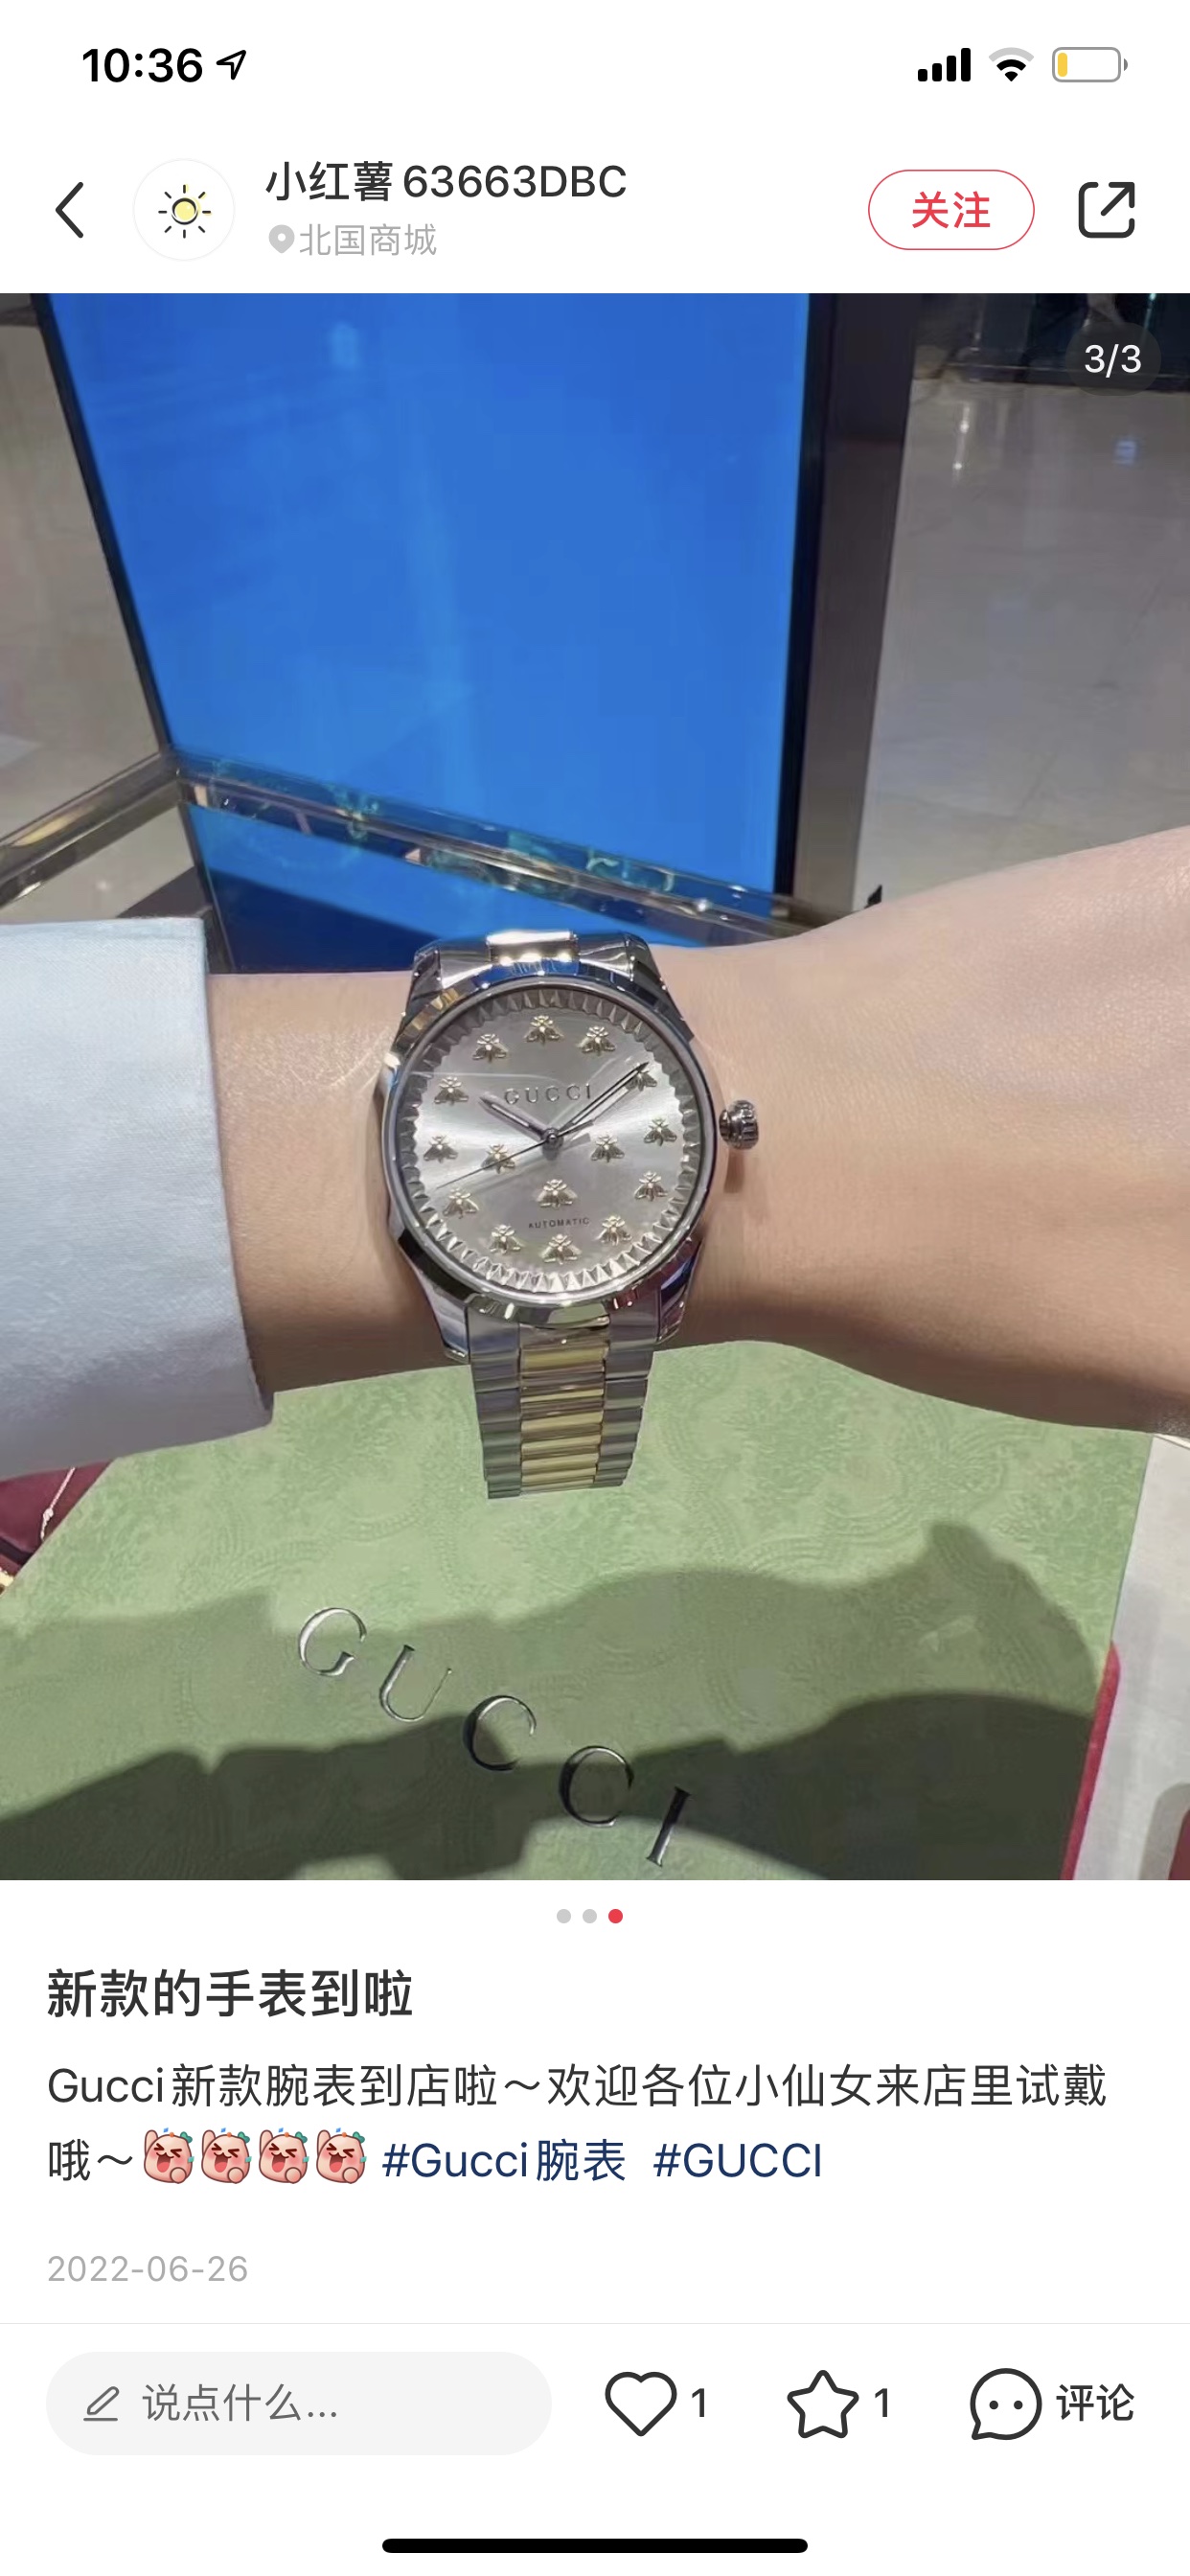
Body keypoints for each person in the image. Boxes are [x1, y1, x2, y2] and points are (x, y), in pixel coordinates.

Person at [4, 819, 1190, 1484]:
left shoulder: (681, 1130)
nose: (558, 1139)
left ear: (726, 1126)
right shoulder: (424, 1109)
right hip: (507, 1242)